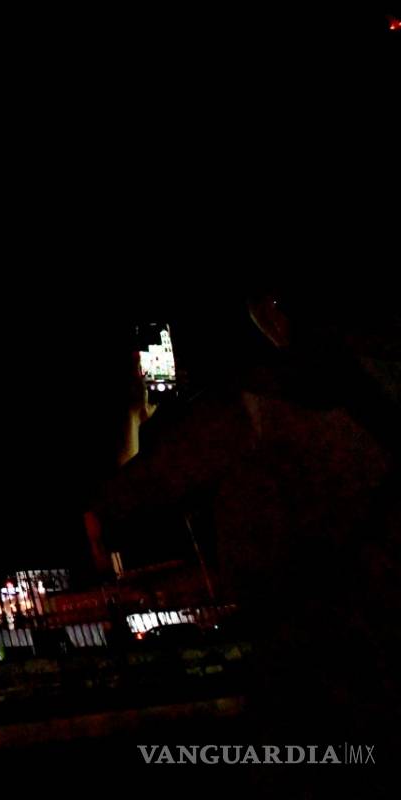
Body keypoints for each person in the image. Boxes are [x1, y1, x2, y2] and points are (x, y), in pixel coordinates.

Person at [87, 292, 400, 745]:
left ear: (276, 318)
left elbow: (119, 503)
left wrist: (134, 415)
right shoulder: (384, 386)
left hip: (312, 659)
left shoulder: (253, 406)